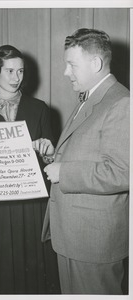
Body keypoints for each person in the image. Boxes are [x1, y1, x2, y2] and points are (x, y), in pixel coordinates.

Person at [38, 28, 129, 294]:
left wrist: (63, 172)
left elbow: (122, 172)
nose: (66, 72)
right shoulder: (92, 96)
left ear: (96, 64)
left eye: (72, 65)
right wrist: (54, 156)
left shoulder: (122, 103)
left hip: (92, 241)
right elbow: (90, 151)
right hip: (75, 236)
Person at [0, 45, 60, 294]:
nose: (16, 77)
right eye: (9, 71)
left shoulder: (39, 108)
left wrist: (48, 153)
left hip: (30, 204)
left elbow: (51, 162)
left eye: (20, 71)